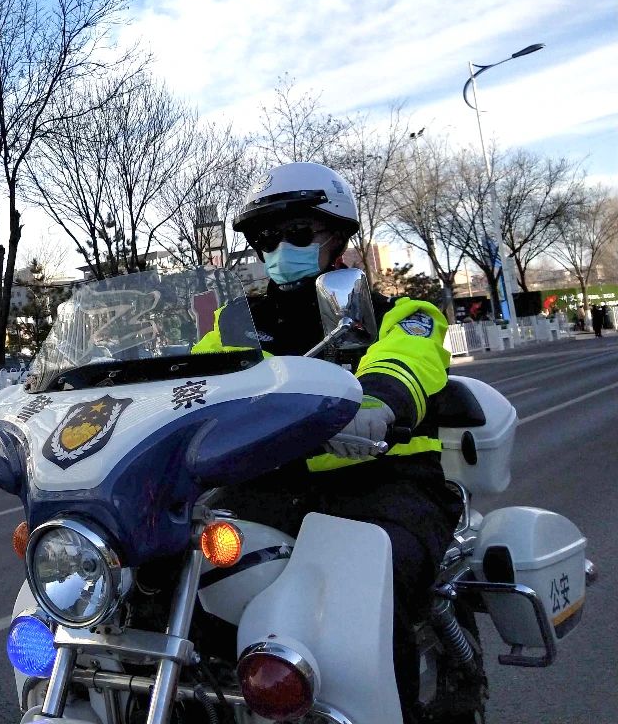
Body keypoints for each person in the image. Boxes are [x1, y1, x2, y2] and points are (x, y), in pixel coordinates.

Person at [194, 162, 461, 723]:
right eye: (266, 238)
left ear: (338, 237)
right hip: (268, 489)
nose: (278, 248)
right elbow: (199, 380)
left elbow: (409, 358)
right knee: (178, 575)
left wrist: (375, 402)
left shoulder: (396, 312)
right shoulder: (235, 322)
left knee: (361, 602)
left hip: (384, 485)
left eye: (297, 234)